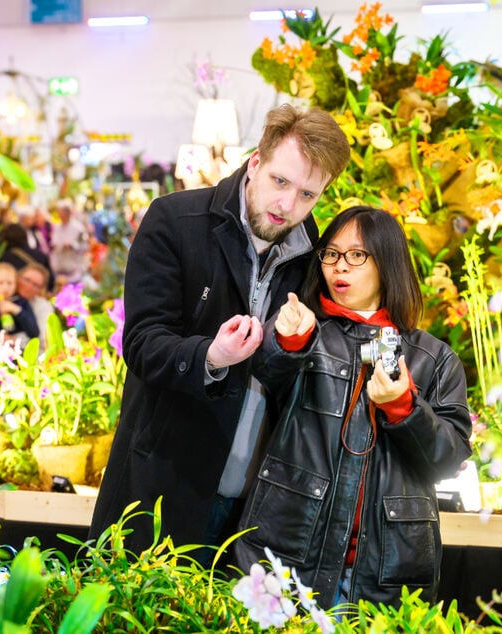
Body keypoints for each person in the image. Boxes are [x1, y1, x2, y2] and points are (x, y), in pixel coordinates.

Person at [88, 104, 351, 556]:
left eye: (308, 194)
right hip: (163, 488)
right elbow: (143, 343)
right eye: (280, 181)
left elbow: (294, 379)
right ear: (255, 162)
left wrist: (293, 347)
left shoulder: (313, 256)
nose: (287, 205)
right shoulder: (176, 221)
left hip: (255, 508)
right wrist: (212, 356)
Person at [233, 206, 472, 608]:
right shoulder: (305, 330)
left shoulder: (433, 358)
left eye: (356, 255)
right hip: (288, 558)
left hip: (386, 571)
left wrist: (403, 407)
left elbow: (448, 458)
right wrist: (289, 342)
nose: (339, 266)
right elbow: (268, 372)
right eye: (331, 253)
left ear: (387, 262)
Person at [0, 262, 39, 344]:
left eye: (10, 283)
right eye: (0, 283)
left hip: (16, 347)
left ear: (15, 285)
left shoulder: (22, 303)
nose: (5, 288)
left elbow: (34, 332)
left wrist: (16, 310)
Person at [16, 262, 57, 351]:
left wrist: (14, 340)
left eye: (35, 285)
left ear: (41, 290)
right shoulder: (6, 298)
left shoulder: (44, 306)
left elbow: (43, 338)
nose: (29, 286)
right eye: (27, 280)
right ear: (18, 277)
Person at [49, 198, 91, 284]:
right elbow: (53, 243)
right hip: (59, 266)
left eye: (61, 212)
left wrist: (72, 245)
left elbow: (85, 245)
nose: (59, 215)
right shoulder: (57, 227)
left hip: (73, 267)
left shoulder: (78, 228)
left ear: (68, 213)